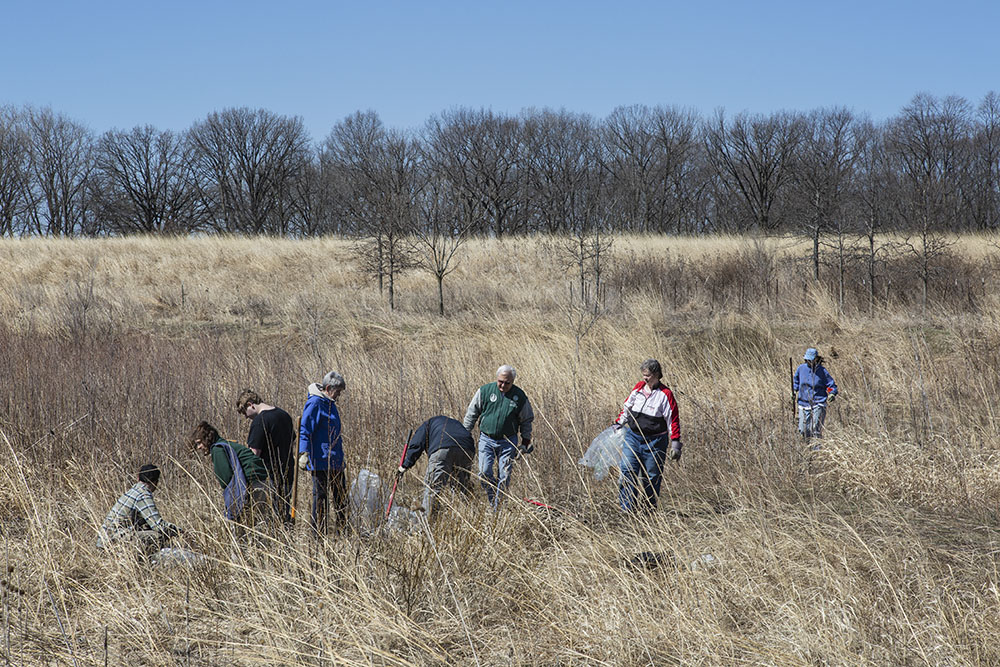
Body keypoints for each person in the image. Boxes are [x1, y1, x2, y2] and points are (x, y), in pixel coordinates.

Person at [613, 359, 682, 512]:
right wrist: (618, 423)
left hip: (655, 441)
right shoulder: (638, 388)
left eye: (648, 375)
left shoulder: (666, 395)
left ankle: (648, 508)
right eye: (643, 375)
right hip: (633, 437)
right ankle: (627, 509)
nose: (645, 378)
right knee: (627, 470)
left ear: (657, 375)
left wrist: (675, 444)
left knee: (651, 476)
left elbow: (673, 420)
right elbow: (627, 408)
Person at [463, 364, 534, 510]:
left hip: (508, 441)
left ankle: (497, 508)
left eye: (507, 383)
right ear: (497, 378)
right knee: (483, 472)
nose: (503, 385)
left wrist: (525, 442)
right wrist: (464, 433)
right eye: (500, 381)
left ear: (512, 381)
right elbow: (472, 413)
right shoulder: (485, 391)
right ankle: (492, 496)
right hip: (486, 439)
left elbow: (526, 420)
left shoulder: (519, 397)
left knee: (504, 476)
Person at [396, 416, 476, 520]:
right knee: (461, 489)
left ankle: (426, 525)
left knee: (432, 489)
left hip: (442, 448)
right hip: (467, 448)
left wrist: (404, 466)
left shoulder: (427, 425)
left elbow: (416, 444)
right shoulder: (453, 423)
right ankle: (466, 520)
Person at [190, 421, 269, 524]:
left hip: (252, 483)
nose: (199, 447)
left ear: (207, 439)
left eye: (200, 443)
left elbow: (226, 480)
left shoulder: (217, 449)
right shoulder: (227, 444)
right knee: (260, 520)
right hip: (262, 481)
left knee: (249, 523)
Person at [299, 371, 348, 536]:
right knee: (321, 498)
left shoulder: (330, 403)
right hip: (320, 460)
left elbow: (334, 434)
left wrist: (340, 457)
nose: (339, 395)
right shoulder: (315, 403)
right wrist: (303, 453)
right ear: (328, 388)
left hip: (335, 460)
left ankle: (342, 532)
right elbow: (305, 429)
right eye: (338, 391)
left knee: (341, 497)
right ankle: (318, 535)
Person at [237, 389, 295, 526]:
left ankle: (275, 541)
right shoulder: (284, 415)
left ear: (251, 404)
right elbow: (292, 440)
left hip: (269, 475)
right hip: (288, 469)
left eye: (244, 412)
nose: (245, 417)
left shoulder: (259, 421)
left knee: (270, 515)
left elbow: (254, 454)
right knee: (283, 508)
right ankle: (286, 537)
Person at [97, 464, 181, 554]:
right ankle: (150, 562)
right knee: (159, 536)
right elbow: (158, 526)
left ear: (138, 478)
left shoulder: (134, 490)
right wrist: (179, 531)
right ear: (156, 482)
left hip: (105, 540)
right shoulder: (143, 495)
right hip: (114, 540)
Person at [793, 347, 838, 440]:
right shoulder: (801, 369)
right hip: (803, 403)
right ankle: (807, 448)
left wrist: (832, 393)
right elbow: (796, 382)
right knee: (803, 430)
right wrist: (794, 390)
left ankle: (817, 450)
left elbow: (829, 385)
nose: (809, 362)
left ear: (816, 359)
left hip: (818, 403)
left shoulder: (822, 371)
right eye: (808, 360)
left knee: (815, 429)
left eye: (811, 360)